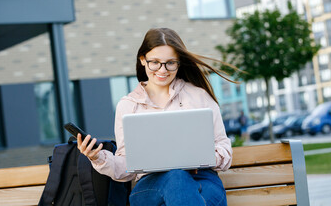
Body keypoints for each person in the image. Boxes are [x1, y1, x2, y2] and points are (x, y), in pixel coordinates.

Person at [77, 28, 236, 206]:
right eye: (155, 62)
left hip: (202, 180)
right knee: (176, 176)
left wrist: (200, 157)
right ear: (143, 60)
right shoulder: (128, 105)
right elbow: (126, 168)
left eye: (170, 63)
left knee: (182, 184)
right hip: (150, 186)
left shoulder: (199, 96)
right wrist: (97, 157)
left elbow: (224, 149)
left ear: (179, 63)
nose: (162, 70)